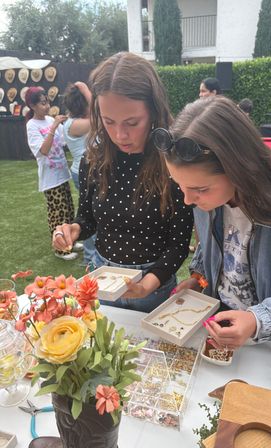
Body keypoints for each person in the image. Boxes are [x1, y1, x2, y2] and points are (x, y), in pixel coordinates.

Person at [152, 96, 271, 349]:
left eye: (200, 189)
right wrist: (199, 277)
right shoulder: (206, 199)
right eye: (179, 185)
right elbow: (216, 250)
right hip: (224, 325)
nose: (187, 200)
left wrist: (256, 321)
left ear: (239, 169)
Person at [52, 52, 193, 313]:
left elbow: (179, 243)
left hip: (154, 287)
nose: (120, 134)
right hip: (102, 278)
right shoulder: (92, 160)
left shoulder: (172, 163)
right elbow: (87, 219)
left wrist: (147, 284)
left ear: (153, 111)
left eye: (132, 122)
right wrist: (72, 229)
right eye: (108, 122)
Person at [25, 87, 78, 261]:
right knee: (57, 213)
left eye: (47, 101)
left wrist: (70, 123)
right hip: (50, 178)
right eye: (42, 103)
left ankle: (71, 239)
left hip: (62, 173)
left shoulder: (49, 119)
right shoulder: (32, 125)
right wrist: (54, 126)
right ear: (32, 105)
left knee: (69, 209)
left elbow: (65, 142)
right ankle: (61, 249)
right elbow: (44, 150)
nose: (47, 106)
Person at [62, 81, 96, 265]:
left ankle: (91, 255)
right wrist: (85, 90)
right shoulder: (74, 124)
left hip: (90, 170)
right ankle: (90, 258)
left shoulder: (73, 121)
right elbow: (100, 117)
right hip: (84, 172)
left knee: (93, 212)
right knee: (90, 214)